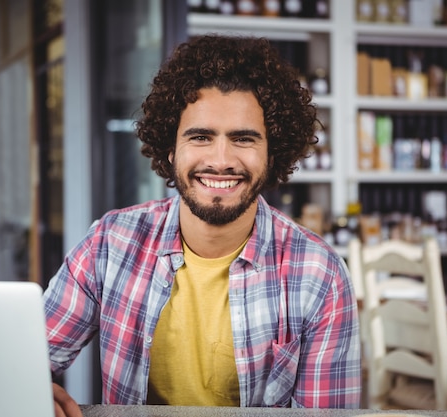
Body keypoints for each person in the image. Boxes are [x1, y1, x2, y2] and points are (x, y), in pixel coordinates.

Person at [44, 34, 361, 416]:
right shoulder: (110, 244)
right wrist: (35, 389)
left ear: (272, 152)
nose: (221, 159)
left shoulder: (319, 274)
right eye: (201, 136)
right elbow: (27, 361)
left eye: (243, 139)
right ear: (171, 148)